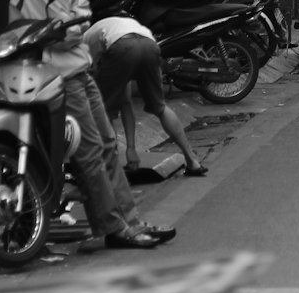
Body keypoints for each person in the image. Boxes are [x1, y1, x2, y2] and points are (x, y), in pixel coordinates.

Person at [9, 0, 172, 250]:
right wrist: (73, 27)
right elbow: (55, 31)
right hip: (58, 77)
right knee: (91, 153)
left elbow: (79, 17)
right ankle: (114, 226)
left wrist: (75, 24)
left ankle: (130, 221)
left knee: (108, 146)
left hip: (77, 71)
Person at [85, 14, 209, 176]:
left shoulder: (85, 42)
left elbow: (90, 75)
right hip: (150, 45)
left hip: (122, 46)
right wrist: (131, 149)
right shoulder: (115, 26)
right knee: (160, 106)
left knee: (104, 109)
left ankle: (111, 167)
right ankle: (192, 161)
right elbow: (126, 101)